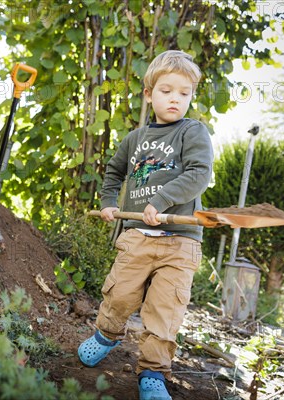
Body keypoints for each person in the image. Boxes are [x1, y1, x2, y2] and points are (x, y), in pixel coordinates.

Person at [77, 50, 214, 400]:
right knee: (120, 293)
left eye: (184, 93)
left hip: (181, 241)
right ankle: (107, 334)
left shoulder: (193, 131)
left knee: (165, 310)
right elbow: (113, 173)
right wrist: (109, 203)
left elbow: (200, 173)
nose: (175, 99)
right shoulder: (134, 140)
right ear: (149, 93)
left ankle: (153, 372)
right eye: (167, 90)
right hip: (136, 234)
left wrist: (161, 200)